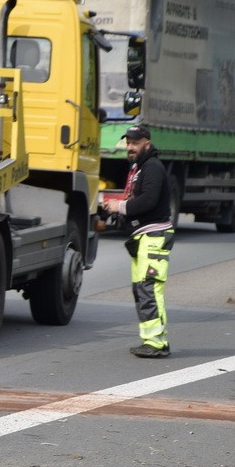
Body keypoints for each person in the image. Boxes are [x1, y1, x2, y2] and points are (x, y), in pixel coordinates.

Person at [102, 124, 175, 358]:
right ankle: (154, 341)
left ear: (147, 143)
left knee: (148, 288)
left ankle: (155, 343)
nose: (130, 147)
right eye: (128, 143)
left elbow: (148, 201)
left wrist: (120, 206)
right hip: (143, 236)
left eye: (135, 143)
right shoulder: (140, 167)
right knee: (142, 289)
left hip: (154, 236)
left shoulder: (152, 167)